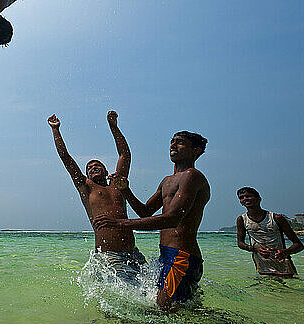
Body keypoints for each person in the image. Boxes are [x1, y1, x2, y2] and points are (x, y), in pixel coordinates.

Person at [101, 131, 210, 310]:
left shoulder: (193, 176)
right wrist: (125, 190)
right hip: (167, 255)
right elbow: (145, 212)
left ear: (195, 151)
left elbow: (172, 219)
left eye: (180, 142)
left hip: (181, 256)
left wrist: (120, 223)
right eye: (172, 142)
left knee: (164, 309)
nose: (173, 145)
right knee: (179, 310)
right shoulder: (167, 181)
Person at [47, 111, 146, 281]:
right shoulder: (86, 188)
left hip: (133, 254)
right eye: (89, 168)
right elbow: (66, 158)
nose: (93, 167)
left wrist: (113, 127)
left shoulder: (118, 185)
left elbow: (125, 155)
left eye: (97, 165)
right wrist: (56, 130)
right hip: (110, 256)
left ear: (107, 171)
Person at [236, 186, 303, 277]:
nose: (245, 199)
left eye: (248, 196)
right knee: (264, 289)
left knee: (289, 289)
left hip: (283, 266)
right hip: (262, 266)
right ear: (241, 203)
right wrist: (255, 249)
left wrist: (284, 252)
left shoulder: (276, 218)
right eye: (241, 197)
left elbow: (298, 245)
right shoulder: (242, 220)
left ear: (259, 199)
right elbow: (240, 243)